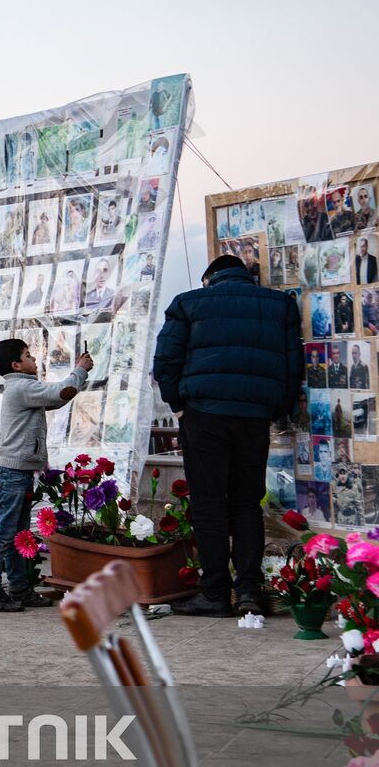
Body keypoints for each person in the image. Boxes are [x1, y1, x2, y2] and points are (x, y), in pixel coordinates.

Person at [153, 254, 303, 618]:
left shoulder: (188, 303)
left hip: (203, 413)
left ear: (210, 279)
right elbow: (292, 363)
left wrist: (178, 403)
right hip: (254, 416)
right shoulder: (280, 304)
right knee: (246, 503)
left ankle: (216, 592)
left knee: (208, 504)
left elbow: (165, 361)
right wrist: (275, 407)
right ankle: (250, 593)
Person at [0, 338, 92, 612]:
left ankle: (20, 588)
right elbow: (60, 391)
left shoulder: (24, 388)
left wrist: (77, 378)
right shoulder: (21, 386)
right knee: (2, 533)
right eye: (28, 355)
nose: (34, 360)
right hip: (11, 473)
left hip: (18, 472)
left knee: (18, 534)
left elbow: (58, 397)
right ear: (16, 365)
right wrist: (80, 369)